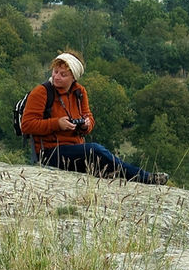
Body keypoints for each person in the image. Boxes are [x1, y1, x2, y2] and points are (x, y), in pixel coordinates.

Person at [21, 52, 168, 185]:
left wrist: (86, 124)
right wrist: (57, 123)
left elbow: (89, 118)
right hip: (50, 152)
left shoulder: (79, 92)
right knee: (96, 150)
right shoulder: (42, 92)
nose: (56, 76)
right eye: (55, 71)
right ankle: (145, 177)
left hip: (76, 149)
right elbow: (26, 125)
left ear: (74, 77)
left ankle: (133, 176)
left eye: (63, 74)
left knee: (107, 165)